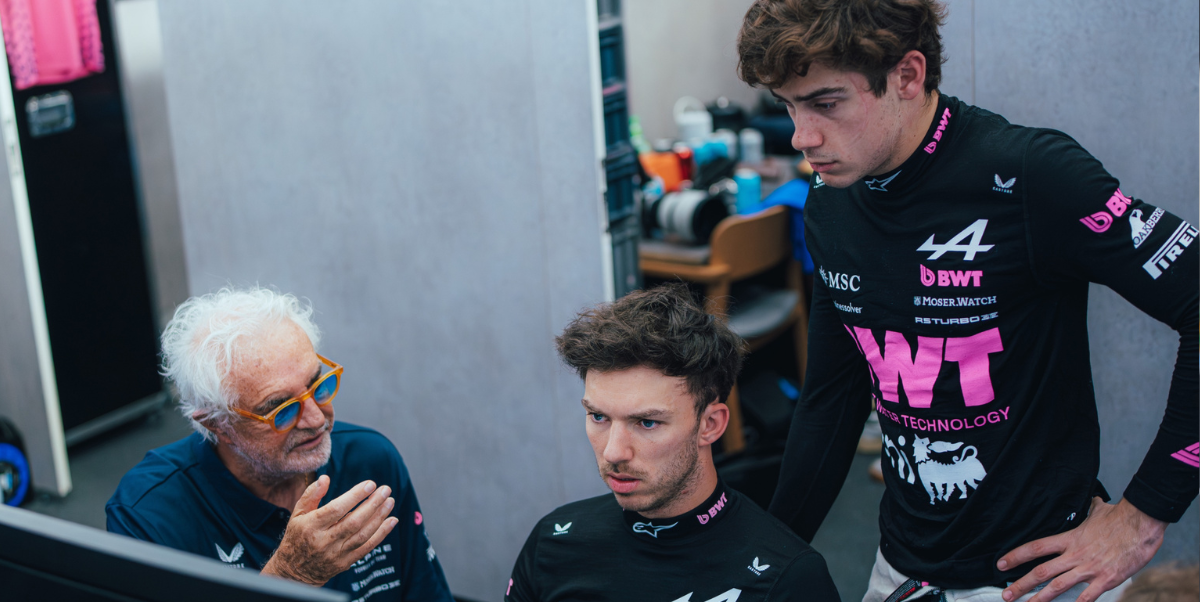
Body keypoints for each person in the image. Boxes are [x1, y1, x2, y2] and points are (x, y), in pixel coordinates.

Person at [735, 0, 1197, 602]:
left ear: (907, 75)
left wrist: (1145, 513)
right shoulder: (831, 200)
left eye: (827, 103)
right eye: (789, 105)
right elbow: (833, 398)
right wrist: (765, 564)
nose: (802, 136)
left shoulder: (1032, 176)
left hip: (1040, 575)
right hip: (902, 566)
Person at [107, 287, 453, 602]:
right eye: (281, 408)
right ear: (218, 424)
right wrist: (290, 577)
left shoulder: (370, 461)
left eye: (317, 385)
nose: (316, 419)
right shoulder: (149, 515)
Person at [505, 284, 840, 602]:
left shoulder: (787, 580)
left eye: (647, 422)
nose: (613, 452)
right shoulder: (552, 543)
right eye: (599, 417)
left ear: (710, 425)